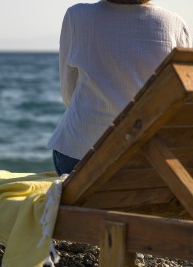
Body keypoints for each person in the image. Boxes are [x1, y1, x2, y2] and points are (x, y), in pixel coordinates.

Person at [48, 0, 192, 175]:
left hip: (79, 155)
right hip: (151, 159)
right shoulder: (175, 23)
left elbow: (68, 93)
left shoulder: (77, 16)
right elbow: (179, 98)